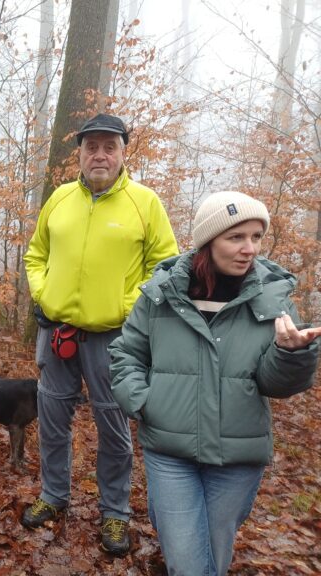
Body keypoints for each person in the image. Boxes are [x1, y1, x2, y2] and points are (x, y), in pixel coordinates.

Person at [109, 191, 320, 575]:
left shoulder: (273, 298)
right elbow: (126, 354)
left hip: (237, 456)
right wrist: (144, 403)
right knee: (187, 560)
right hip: (170, 451)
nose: (249, 248)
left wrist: (290, 354)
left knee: (214, 552)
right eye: (236, 237)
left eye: (256, 237)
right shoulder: (162, 293)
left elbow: (274, 384)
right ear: (208, 241)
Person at [22, 113, 179, 556]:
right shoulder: (59, 199)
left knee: (113, 426)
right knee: (52, 420)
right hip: (57, 332)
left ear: (123, 152)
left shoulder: (144, 203)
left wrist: (128, 309)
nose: (100, 155)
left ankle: (115, 512)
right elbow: (36, 255)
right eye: (91, 146)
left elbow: (166, 268)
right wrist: (43, 292)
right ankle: (53, 495)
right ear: (79, 153)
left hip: (115, 339)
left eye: (110, 146)